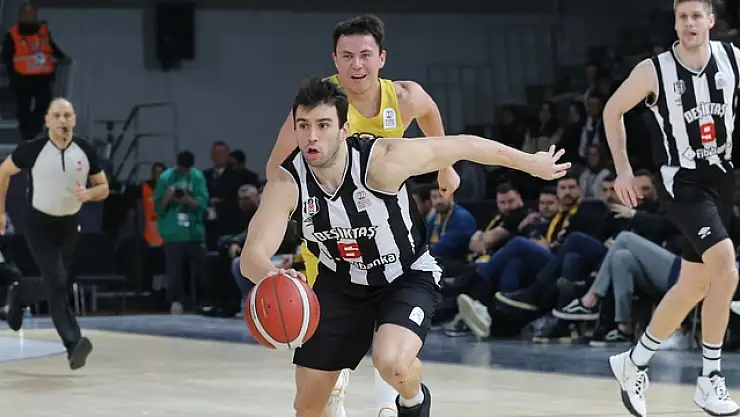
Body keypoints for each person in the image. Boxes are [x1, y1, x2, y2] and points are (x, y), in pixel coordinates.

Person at [240, 77, 569, 417]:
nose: (312, 136)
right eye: (303, 126)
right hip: (340, 284)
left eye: (323, 125)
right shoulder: (288, 182)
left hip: (404, 274)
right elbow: (252, 256)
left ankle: (414, 399)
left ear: (344, 129)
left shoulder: (383, 160)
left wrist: (531, 163)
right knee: (307, 407)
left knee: (392, 363)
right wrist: (273, 275)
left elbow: (464, 144)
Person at [264, 14, 460, 417]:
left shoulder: (402, 97)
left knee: (389, 338)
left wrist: (446, 167)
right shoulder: (320, 108)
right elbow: (276, 168)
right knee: (324, 365)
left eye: (365, 55)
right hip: (333, 240)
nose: (357, 65)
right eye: (347, 56)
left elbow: (430, 114)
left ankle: (390, 405)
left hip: (388, 228)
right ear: (334, 60)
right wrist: (288, 206)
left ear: (381, 58)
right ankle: (335, 386)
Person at [602, 1, 740, 415]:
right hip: (681, 183)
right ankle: (710, 378)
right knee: (726, 266)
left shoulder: (733, 59)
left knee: (695, 284)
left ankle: (634, 362)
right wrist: (623, 171)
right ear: (675, 23)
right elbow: (612, 110)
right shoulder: (654, 70)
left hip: (721, 181)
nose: (690, 23)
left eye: (697, 16)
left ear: (711, 20)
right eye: (683, 17)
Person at [0, 98, 108, 370]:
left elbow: (104, 187)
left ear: (74, 120)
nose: (63, 120)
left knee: (56, 281)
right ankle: (73, 343)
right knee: (57, 279)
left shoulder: (85, 150)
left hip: (69, 224)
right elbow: (3, 173)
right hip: (38, 223)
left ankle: (20, 293)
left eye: (67, 115)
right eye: (57, 115)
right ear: (47, 120)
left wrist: (90, 194)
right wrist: (0, 212)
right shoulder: (33, 149)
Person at [1, 4, 70, 141]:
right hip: (21, 77)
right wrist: (12, 75)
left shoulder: (43, 32)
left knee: (44, 105)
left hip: (41, 76)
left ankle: (35, 129)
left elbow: (51, 47)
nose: (29, 16)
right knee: (23, 108)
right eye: (26, 13)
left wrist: (63, 57)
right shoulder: (13, 34)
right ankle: (27, 134)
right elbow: (7, 56)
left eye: (31, 13)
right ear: (21, 16)